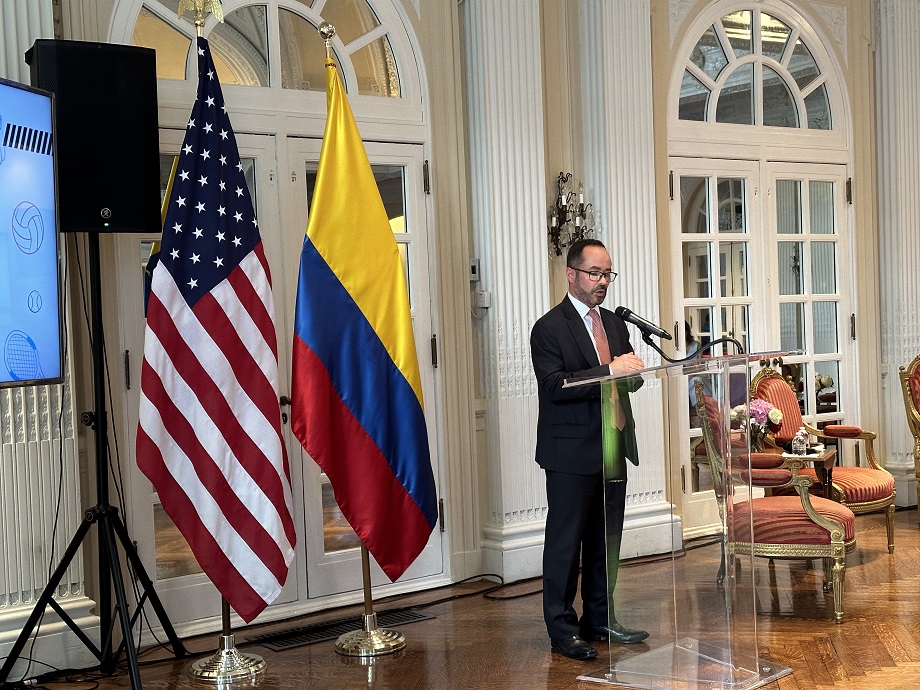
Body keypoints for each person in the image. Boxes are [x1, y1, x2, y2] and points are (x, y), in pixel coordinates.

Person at [530, 238, 649, 661]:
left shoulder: (614, 324)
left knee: (605, 541)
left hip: (613, 443)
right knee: (566, 543)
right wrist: (610, 371)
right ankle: (562, 629)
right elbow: (555, 385)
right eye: (595, 274)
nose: (603, 282)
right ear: (572, 274)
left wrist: (633, 373)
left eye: (608, 274)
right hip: (570, 452)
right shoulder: (549, 327)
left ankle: (598, 618)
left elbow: (627, 374)